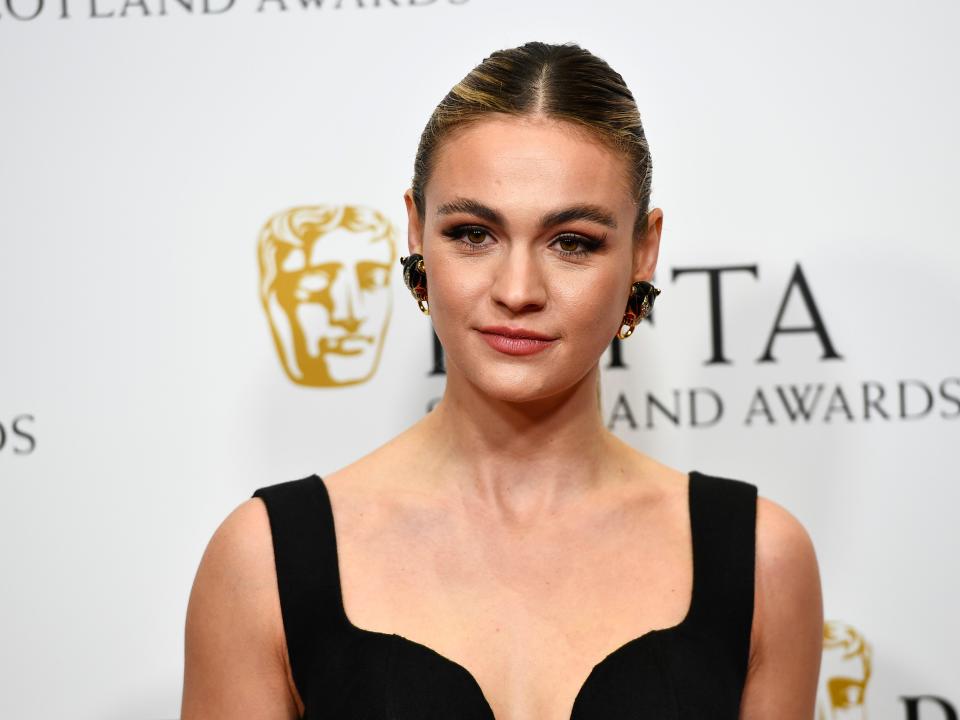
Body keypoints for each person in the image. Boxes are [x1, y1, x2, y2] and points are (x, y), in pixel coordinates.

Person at [180, 41, 823, 719]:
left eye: (572, 241)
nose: (518, 290)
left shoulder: (760, 561)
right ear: (416, 232)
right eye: (473, 233)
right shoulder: (263, 563)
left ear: (643, 250)